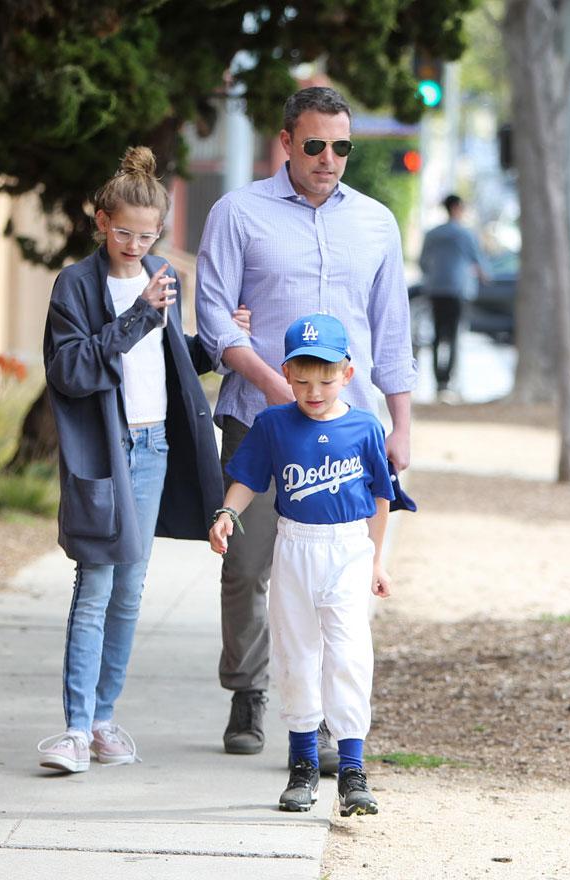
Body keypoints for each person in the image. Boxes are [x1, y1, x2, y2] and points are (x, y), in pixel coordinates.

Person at [195, 86, 415, 766]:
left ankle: (320, 716)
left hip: (350, 432)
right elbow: (211, 320)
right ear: (286, 143)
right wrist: (282, 392)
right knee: (249, 567)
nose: (329, 159)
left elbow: (393, 331)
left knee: (338, 577)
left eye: (341, 147)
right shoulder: (238, 213)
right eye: (315, 145)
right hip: (260, 421)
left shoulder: (377, 223)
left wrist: (400, 422)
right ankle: (247, 691)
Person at [37, 146, 251, 774]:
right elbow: (70, 370)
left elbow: (167, 355)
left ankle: (105, 719)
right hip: (106, 450)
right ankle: (75, 729)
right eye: (125, 231)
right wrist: (137, 315)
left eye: (148, 234)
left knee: (129, 591)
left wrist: (217, 344)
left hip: (156, 445)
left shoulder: (164, 277)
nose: (135, 244)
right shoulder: (76, 285)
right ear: (100, 219)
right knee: (95, 583)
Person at [209, 313, 393, 816]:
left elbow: (381, 497)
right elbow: (248, 477)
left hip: (349, 548)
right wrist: (228, 512)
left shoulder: (364, 426)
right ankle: (303, 767)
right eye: (303, 379)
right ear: (286, 374)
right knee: (297, 655)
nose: (315, 390)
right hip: (295, 546)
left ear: (347, 375)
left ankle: (353, 771)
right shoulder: (273, 423)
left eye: (326, 378)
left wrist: (377, 560)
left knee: (350, 654)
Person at [420, 194, 488, 402]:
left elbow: (423, 262)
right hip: (458, 290)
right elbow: (479, 262)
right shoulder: (466, 234)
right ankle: (450, 380)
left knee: (437, 335)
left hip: (436, 289)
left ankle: (438, 380)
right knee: (455, 335)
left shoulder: (432, 234)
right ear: (457, 208)